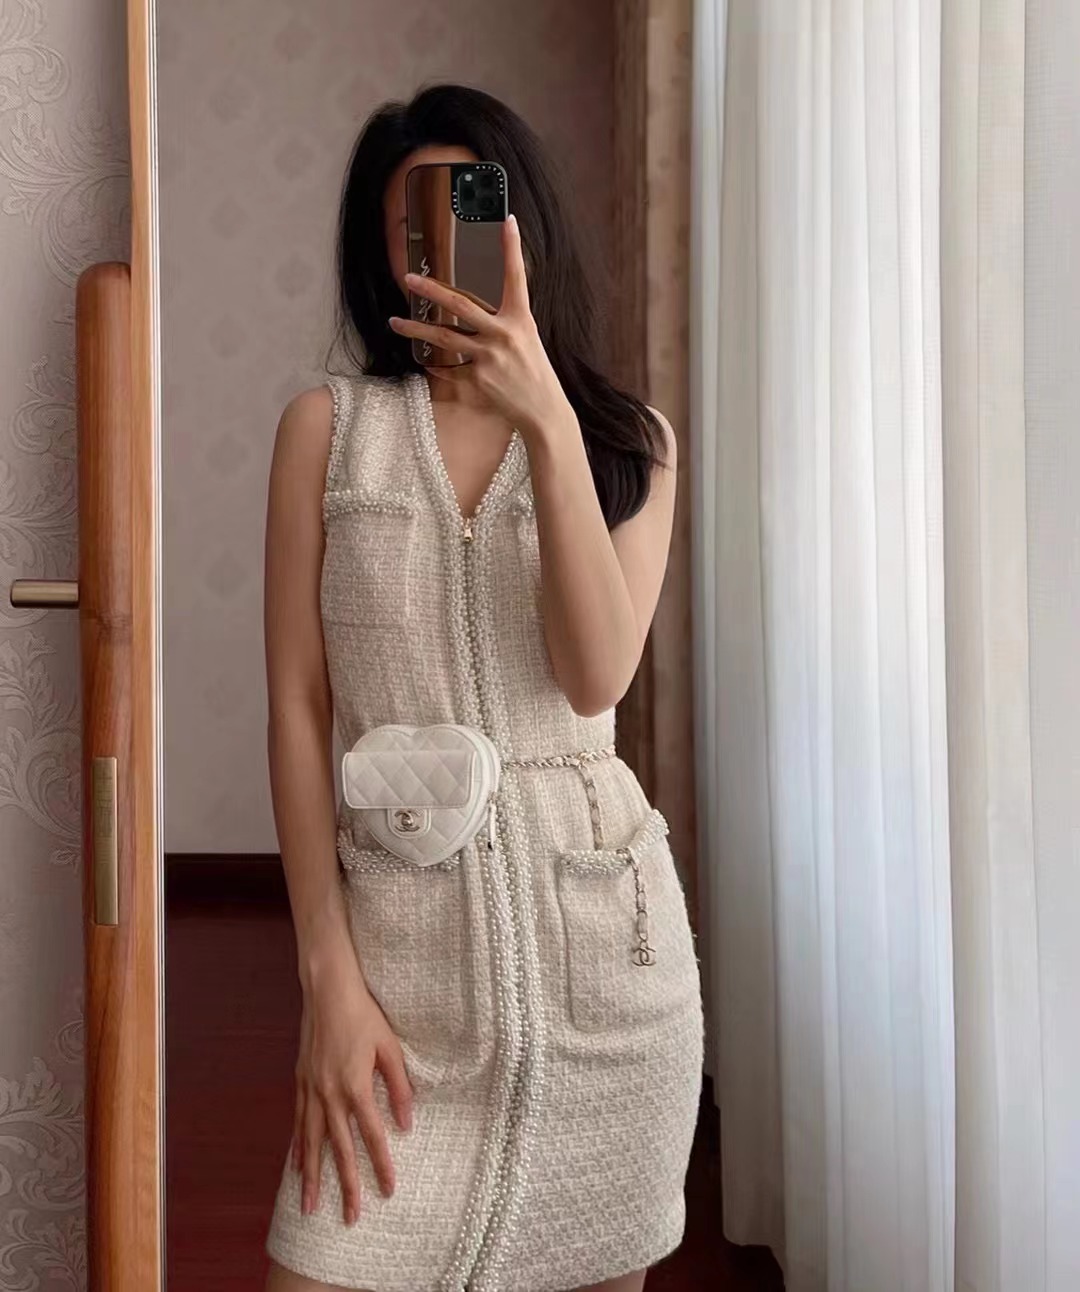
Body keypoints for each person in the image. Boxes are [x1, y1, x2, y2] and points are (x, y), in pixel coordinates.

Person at [261, 83, 704, 1292]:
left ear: (523, 228)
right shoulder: (326, 432)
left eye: (463, 214)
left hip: (608, 996)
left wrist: (548, 423)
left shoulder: (630, 444)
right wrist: (326, 979)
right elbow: (298, 708)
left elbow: (595, 672)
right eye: (407, 226)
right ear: (378, 249)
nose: (433, 252)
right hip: (404, 1003)